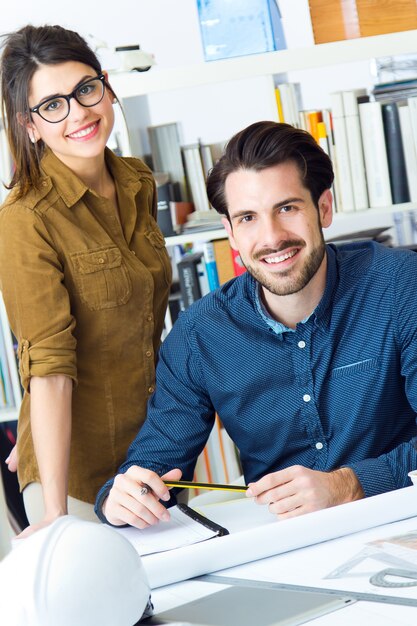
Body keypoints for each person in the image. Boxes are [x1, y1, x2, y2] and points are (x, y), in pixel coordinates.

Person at [96, 120, 417, 528]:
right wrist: (121, 498)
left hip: (403, 522)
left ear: (323, 208)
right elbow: (156, 467)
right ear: (229, 232)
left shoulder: (400, 286)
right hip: (279, 547)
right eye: (248, 217)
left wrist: (348, 484)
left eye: (287, 208)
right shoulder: (199, 335)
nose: (272, 237)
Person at [0, 24, 174, 535]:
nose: (78, 113)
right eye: (52, 105)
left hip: (152, 459)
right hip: (75, 480)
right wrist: (54, 511)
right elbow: (49, 366)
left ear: (107, 87)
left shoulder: (138, 181)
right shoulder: (24, 220)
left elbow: (145, 321)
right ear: (29, 125)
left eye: (85, 89)